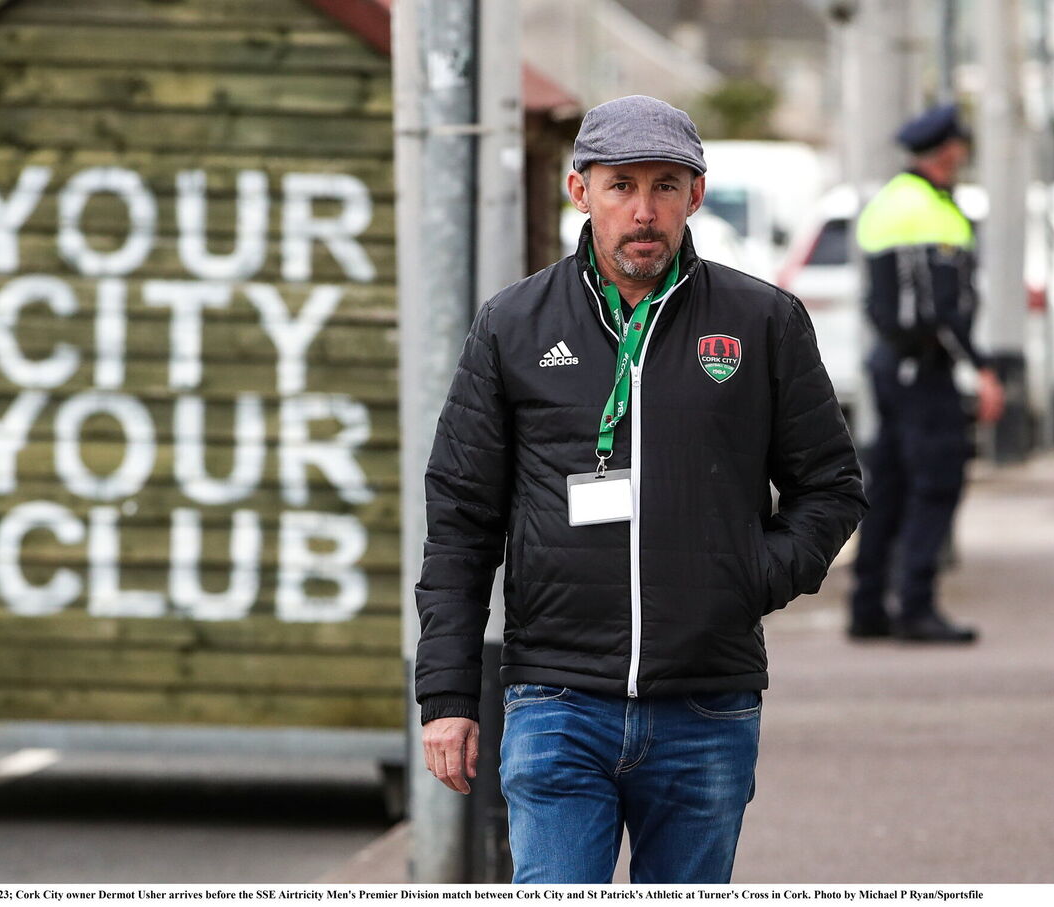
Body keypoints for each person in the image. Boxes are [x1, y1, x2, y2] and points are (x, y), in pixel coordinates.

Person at [412, 95, 866, 884]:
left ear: (696, 194)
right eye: (621, 184)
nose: (644, 210)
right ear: (579, 190)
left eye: (665, 185)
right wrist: (448, 690)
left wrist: (749, 576)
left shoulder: (762, 321)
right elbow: (461, 517)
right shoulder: (513, 325)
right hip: (556, 698)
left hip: (707, 702)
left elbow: (829, 485)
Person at [847, 104, 1005, 645]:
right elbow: (942, 310)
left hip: (890, 365)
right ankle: (916, 605)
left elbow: (882, 301)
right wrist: (982, 369)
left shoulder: (889, 202)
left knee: (887, 484)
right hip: (924, 368)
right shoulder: (929, 210)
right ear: (948, 152)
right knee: (936, 481)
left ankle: (867, 607)